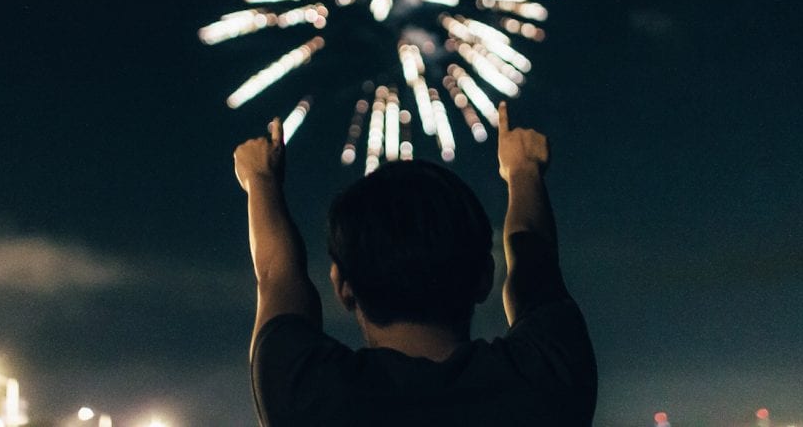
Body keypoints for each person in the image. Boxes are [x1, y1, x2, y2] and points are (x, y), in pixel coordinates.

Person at [233, 102, 596, 426]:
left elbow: (277, 275)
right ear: (485, 277)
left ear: (343, 286)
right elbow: (535, 266)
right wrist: (524, 171)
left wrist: (261, 180)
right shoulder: (547, 380)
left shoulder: (306, 396)